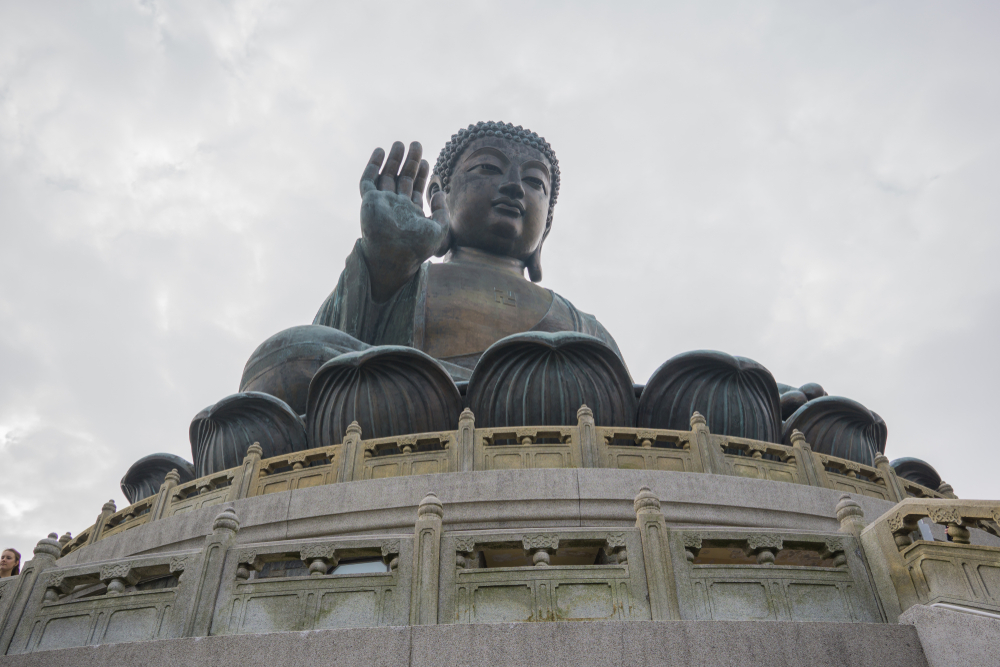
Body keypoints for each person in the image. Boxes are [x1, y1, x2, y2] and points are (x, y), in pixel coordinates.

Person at [313, 120, 622, 372]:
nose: (514, 185)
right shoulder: (405, 281)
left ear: (547, 225)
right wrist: (384, 263)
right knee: (295, 351)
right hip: (416, 397)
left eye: (534, 182)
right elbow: (331, 351)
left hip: (548, 416)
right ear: (439, 194)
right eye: (488, 168)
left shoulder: (583, 327)